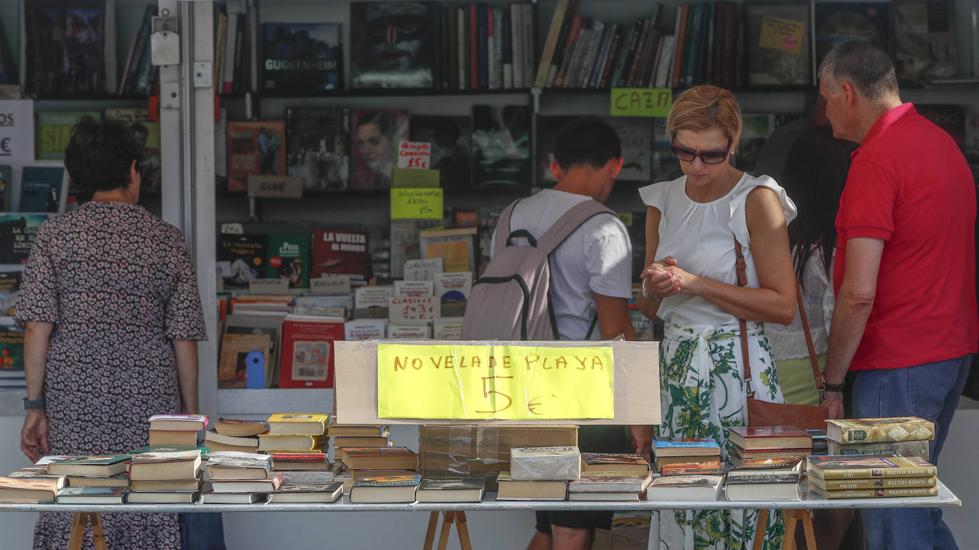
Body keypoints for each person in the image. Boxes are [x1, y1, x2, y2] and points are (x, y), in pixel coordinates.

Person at [16, 119, 216, 550]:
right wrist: (189, 421)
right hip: (150, 404)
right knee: (148, 499)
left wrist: (35, 405)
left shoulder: (54, 236)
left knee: (78, 499)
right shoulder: (165, 240)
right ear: (131, 170)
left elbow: (36, 326)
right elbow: (184, 339)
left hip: (74, 404)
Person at [817, 41, 978, 550]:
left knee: (893, 520)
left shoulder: (877, 160)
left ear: (847, 92)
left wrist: (833, 378)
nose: (823, 112)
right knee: (917, 508)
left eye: (825, 98)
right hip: (948, 351)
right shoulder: (940, 143)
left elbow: (859, 292)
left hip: (896, 361)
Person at [636, 84, 797, 549]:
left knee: (747, 500)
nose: (697, 166)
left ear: (734, 142)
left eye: (711, 154)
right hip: (679, 368)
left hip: (739, 369)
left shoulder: (756, 198)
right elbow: (649, 306)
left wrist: (695, 283)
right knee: (682, 497)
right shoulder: (662, 199)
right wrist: (655, 285)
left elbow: (783, 305)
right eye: (684, 152)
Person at [489, 117, 638, 550]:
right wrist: (638, 413)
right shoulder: (604, 227)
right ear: (615, 165)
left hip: (525, 383)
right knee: (573, 524)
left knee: (547, 523)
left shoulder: (513, 214)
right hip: (583, 385)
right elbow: (615, 330)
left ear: (556, 166)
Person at [763, 127, 860, 550]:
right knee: (829, 490)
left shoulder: (776, 242)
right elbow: (839, 316)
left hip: (772, 374)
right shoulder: (831, 250)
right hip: (816, 375)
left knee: (785, 492)